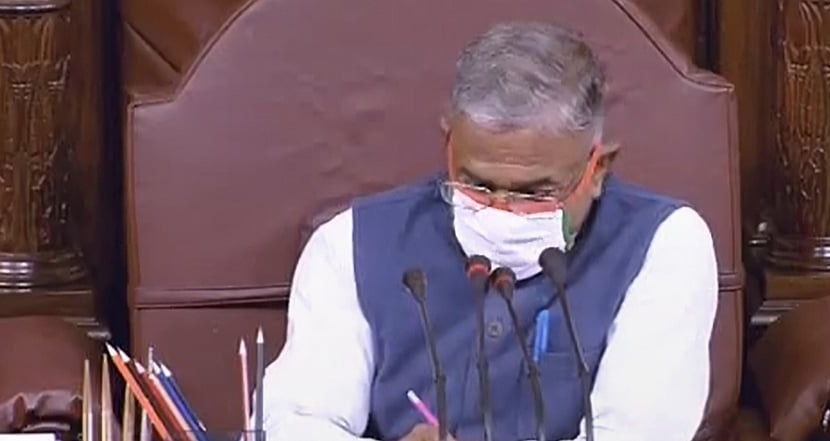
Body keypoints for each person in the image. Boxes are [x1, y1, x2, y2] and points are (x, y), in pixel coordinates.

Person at [256, 21, 718, 441]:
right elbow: (294, 421)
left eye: (536, 193)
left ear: (597, 169)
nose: (502, 211)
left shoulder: (665, 245)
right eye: (476, 184)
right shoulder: (351, 243)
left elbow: (638, 433)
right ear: (449, 146)